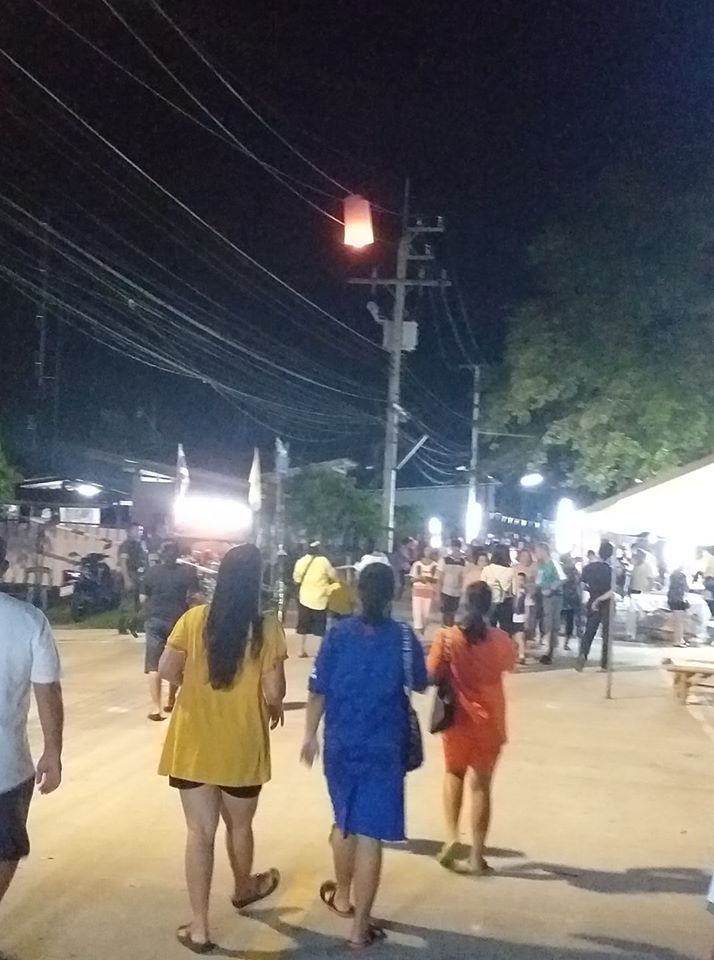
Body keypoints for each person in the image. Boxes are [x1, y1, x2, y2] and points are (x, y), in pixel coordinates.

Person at [158, 543, 286, 953]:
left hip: (193, 742)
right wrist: (275, 702)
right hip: (242, 744)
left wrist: (192, 690)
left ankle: (199, 928)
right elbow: (273, 689)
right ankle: (244, 888)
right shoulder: (267, 627)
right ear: (256, 582)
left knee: (199, 834)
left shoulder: (194, 619)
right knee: (240, 826)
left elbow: (165, 670)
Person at [301, 563, 427, 949]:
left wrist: (309, 735)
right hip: (384, 747)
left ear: (357, 592)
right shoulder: (404, 639)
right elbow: (420, 682)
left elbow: (318, 689)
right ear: (394, 594)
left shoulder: (338, 635)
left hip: (341, 744)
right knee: (370, 837)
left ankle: (342, 895)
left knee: (344, 823)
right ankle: (360, 929)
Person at [427, 581, 516, 875]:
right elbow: (509, 664)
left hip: (457, 721)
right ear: (489, 606)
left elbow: (430, 673)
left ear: (464, 602)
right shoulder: (501, 640)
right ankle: (477, 856)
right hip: (490, 721)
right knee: (481, 786)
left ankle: (452, 837)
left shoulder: (448, 638)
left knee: (454, 774)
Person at [0, 535, 63, 906]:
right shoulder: (28, 620)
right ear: (3, 567)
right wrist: (53, 752)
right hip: (7, 769)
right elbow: (48, 690)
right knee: (5, 851)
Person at [142, 541, 200, 721]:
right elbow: (194, 597)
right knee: (175, 661)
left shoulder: (151, 573)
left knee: (153, 664)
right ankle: (172, 699)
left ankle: (155, 708)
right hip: (178, 621)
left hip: (155, 620)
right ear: (178, 554)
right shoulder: (187, 573)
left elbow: (143, 598)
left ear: (160, 553)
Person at [293, 541, 338, 658]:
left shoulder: (301, 561)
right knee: (320, 625)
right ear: (319, 549)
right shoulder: (324, 561)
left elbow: (296, 579)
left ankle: (301, 650)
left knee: (302, 624)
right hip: (320, 598)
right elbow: (333, 576)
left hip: (304, 597)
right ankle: (318, 652)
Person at [577, 540, 615, 671]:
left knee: (589, 631)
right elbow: (612, 591)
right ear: (610, 555)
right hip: (607, 604)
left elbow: (582, 586)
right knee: (606, 635)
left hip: (592, 601)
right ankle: (605, 664)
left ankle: (583, 655)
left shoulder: (588, 568)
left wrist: (591, 596)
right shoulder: (611, 571)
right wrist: (600, 599)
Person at [534, 543, 565, 665]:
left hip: (553, 598)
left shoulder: (554, 564)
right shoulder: (541, 565)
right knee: (546, 624)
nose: (536, 554)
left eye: (537, 551)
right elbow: (539, 581)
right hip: (543, 597)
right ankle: (549, 650)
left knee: (552, 625)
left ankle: (551, 652)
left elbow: (562, 578)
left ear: (543, 551)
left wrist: (551, 589)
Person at [117, 522, 147, 637]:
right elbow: (123, 563)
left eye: (140, 530)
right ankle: (123, 625)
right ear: (128, 532)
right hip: (130, 574)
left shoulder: (140, 545)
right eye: (136, 530)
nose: (139, 532)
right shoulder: (125, 546)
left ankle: (134, 625)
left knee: (139, 603)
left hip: (140, 575)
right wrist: (126, 579)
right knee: (127, 602)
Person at [482, 544, 514, 634]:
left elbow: (482, 586)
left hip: (490, 601)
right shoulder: (511, 571)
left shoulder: (487, 569)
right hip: (505, 602)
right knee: (506, 630)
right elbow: (514, 591)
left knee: (489, 630)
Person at [409, 547, 439, 637]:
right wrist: (419, 579)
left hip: (428, 591)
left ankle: (423, 629)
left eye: (429, 551)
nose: (428, 552)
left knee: (425, 614)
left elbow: (436, 580)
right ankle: (418, 631)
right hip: (417, 591)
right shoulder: (417, 564)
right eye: (426, 550)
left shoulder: (435, 565)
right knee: (417, 611)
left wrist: (428, 579)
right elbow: (412, 579)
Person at [438, 538, 466, 627]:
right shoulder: (444, 560)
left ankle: (449, 629)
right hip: (445, 591)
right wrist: (438, 593)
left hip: (457, 593)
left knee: (452, 613)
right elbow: (440, 577)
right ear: (452, 548)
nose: (456, 551)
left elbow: (463, 577)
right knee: (445, 612)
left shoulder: (463, 562)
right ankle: (444, 629)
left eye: (458, 549)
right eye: (454, 548)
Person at [512, 547, 537, 643]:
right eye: (523, 556)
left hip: (529, 599)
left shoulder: (534, 568)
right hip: (517, 598)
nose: (525, 558)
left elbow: (537, 583)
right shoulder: (514, 567)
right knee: (517, 624)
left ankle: (524, 642)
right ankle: (519, 645)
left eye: (527, 556)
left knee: (528, 623)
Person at [561, 556, 583, 652]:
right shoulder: (571, 571)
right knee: (573, 622)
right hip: (570, 599)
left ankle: (567, 642)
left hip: (568, 599)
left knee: (571, 622)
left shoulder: (567, 571)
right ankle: (569, 642)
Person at [668, 566, 690, 647]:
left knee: (677, 621)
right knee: (680, 622)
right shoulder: (682, 576)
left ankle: (680, 639)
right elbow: (686, 588)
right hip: (679, 600)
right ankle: (678, 640)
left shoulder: (672, 575)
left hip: (673, 599)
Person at [512, 572, 528, 664]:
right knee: (517, 637)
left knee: (520, 637)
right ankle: (520, 654)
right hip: (515, 616)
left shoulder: (524, 593)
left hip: (521, 617)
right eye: (517, 579)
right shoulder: (516, 592)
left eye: (521, 579)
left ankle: (522, 656)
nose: (519, 581)